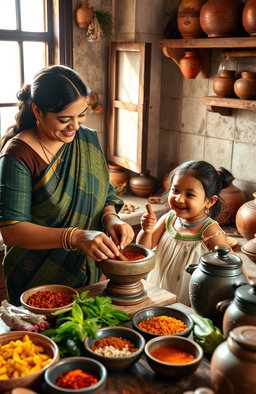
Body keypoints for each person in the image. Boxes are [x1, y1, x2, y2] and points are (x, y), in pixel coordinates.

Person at [0, 65, 134, 305]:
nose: (75, 126)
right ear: (38, 111)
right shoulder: (18, 156)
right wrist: (75, 236)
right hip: (37, 279)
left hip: (89, 271)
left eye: (81, 114)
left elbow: (105, 195)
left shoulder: (86, 138)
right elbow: (12, 230)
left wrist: (112, 219)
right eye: (64, 119)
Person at [136, 160, 247, 305]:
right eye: (175, 190)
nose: (179, 198)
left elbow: (232, 264)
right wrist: (146, 230)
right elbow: (144, 249)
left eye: (190, 194)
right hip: (160, 288)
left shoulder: (209, 230)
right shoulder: (168, 219)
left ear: (209, 201)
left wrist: (247, 289)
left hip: (190, 297)